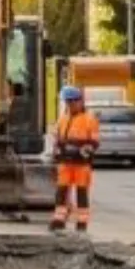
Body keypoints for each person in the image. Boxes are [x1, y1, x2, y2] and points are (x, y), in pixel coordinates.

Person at [49, 85, 100, 233]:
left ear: (79, 101)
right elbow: (58, 139)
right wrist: (56, 152)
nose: (70, 104)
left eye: (72, 101)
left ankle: (81, 223)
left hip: (81, 164)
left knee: (81, 193)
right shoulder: (63, 119)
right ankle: (59, 220)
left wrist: (84, 150)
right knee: (61, 192)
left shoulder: (89, 120)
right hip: (65, 163)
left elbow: (94, 142)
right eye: (68, 102)